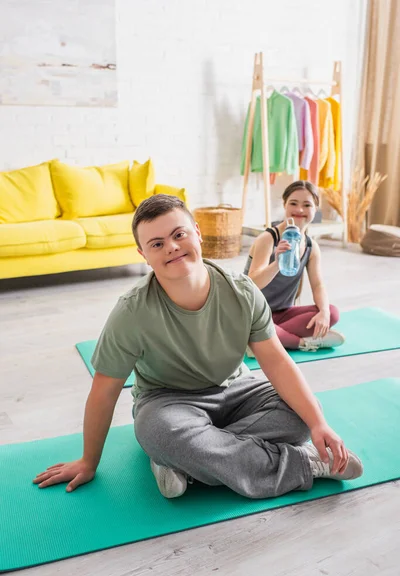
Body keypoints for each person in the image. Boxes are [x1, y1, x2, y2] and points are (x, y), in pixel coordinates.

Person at [33, 194, 363, 500]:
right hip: (168, 402)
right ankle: (303, 464)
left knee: (301, 417)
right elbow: (104, 390)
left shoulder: (242, 292)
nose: (172, 248)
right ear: (144, 255)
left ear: (197, 232)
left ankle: (184, 463)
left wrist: (319, 424)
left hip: (238, 389)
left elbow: (277, 362)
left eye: (179, 235)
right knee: (161, 434)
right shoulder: (131, 312)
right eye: (157, 243)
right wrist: (88, 462)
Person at [244, 180, 345, 352]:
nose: (299, 210)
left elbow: (318, 285)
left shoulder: (311, 247)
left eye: (307, 205)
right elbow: (252, 283)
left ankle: (265, 342)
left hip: (282, 314)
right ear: (284, 205)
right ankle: (304, 343)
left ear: (315, 209)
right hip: (253, 313)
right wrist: (277, 263)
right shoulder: (268, 239)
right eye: (293, 203)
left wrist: (324, 313)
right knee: (262, 327)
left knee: (332, 312)